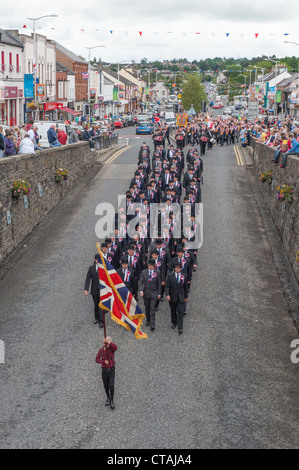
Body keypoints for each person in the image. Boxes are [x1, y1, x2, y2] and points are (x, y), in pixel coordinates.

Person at [165, 261, 188, 334]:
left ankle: (180, 327)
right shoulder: (170, 276)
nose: (177, 269)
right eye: (176, 268)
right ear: (174, 269)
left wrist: (186, 297)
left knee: (180, 312)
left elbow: (185, 287)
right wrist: (167, 294)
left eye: (178, 268)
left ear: (181, 269)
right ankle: (174, 322)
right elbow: (167, 286)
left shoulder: (184, 276)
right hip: (172, 296)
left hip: (181, 296)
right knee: (173, 310)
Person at [138, 258, 162, 331]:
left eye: (152, 265)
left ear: (154, 266)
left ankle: (152, 324)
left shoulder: (157, 273)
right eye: (149, 265)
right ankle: (148, 320)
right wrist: (141, 290)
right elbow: (140, 282)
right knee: (147, 308)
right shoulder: (144, 272)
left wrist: (159, 293)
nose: (150, 267)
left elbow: (159, 284)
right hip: (146, 293)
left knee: (152, 309)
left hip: (154, 293)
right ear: (148, 265)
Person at [95, 337, 117, 409]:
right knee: (106, 386)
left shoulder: (111, 349)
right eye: (105, 343)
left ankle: (112, 400)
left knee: (111, 385)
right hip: (104, 370)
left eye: (108, 343)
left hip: (111, 369)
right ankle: (108, 397)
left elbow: (115, 347)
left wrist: (109, 343)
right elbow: (97, 359)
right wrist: (103, 362)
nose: (106, 344)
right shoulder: (101, 351)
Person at [84, 254, 104, 327]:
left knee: (101, 305)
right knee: (96, 304)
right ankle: (96, 318)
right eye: (97, 259)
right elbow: (88, 279)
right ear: (95, 260)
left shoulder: (103, 267)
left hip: (102, 290)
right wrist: (86, 289)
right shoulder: (91, 268)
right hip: (94, 289)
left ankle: (101, 321)